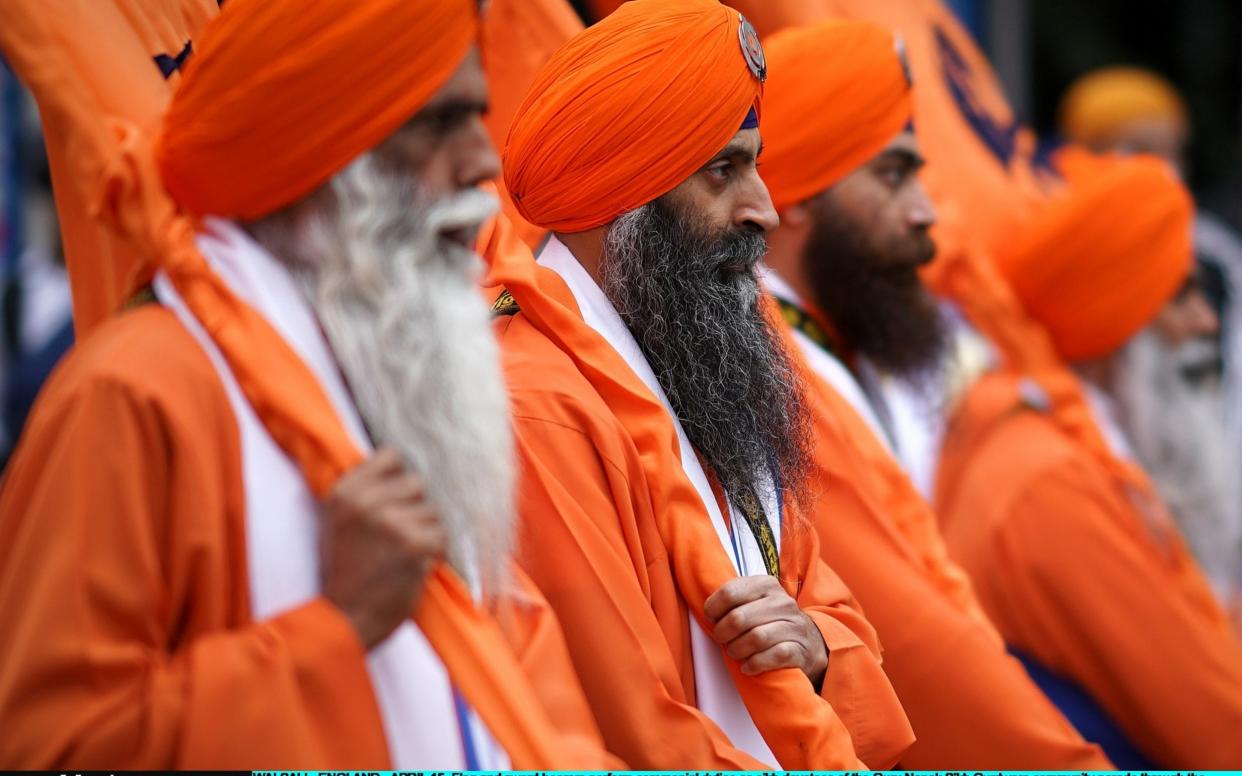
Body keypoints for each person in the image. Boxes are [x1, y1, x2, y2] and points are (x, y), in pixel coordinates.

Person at [0, 0, 615, 768]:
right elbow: (53, 749)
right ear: (321, 149)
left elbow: (527, 702)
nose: (482, 163)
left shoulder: (400, 375)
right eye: (441, 123)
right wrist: (334, 623)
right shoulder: (135, 392)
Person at [490, 0, 913, 769]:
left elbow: (833, 611)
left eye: (754, 165)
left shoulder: (697, 361)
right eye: (723, 170)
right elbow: (630, 732)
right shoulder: (536, 409)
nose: (766, 210)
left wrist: (818, 649)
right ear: (622, 190)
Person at [753, 20, 1112, 769]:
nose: (927, 213)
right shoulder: (772, 368)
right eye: (892, 176)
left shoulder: (825, 344)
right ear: (795, 197)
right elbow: (919, 647)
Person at [935, 155, 1242, 769]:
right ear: (1111, 317)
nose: (1206, 323)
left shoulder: (1058, 441)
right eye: (1179, 296)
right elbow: (1215, 729)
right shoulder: (1048, 481)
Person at [1058, 67, 1242, 611]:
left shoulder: (1216, 253)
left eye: (1171, 152)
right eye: (1135, 148)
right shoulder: (1072, 248)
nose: (1161, 169)